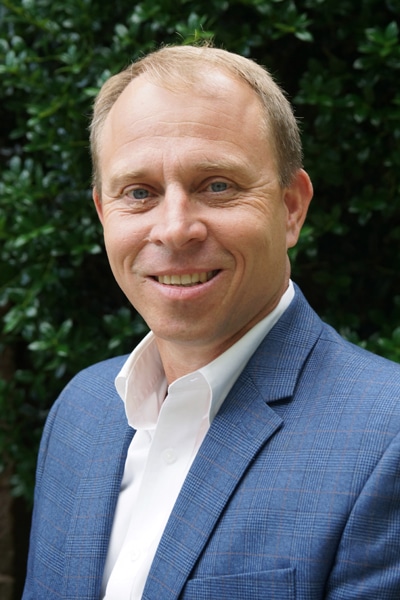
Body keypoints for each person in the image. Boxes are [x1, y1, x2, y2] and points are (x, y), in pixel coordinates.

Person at [23, 44, 400, 600]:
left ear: (291, 206)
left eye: (217, 185)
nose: (174, 229)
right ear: (104, 213)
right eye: (139, 193)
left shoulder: (386, 438)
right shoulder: (81, 413)